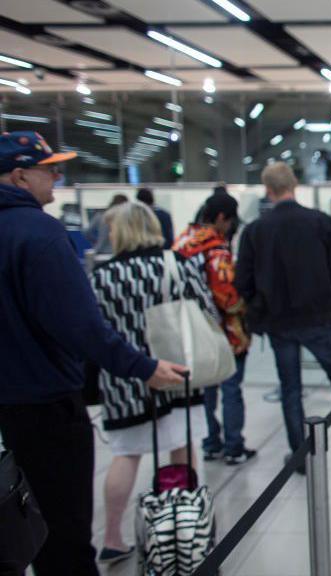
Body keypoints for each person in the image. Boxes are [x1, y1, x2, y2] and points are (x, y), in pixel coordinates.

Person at [0, 131, 185, 576]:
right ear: (21, 176)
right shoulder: (41, 233)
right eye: (49, 169)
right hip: (48, 406)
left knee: (19, 529)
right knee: (64, 536)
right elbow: (80, 326)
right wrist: (141, 367)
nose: (58, 176)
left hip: (9, 407)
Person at [91, 201, 213, 564]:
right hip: (175, 372)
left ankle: (112, 536)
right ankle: (183, 528)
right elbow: (203, 309)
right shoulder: (175, 264)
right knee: (181, 446)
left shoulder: (101, 276)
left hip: (124, 379)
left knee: (125, 455)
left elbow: (92, 330)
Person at [235, 163, 331, 470]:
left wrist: (261, 305)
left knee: (291, 389)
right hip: (318, 319)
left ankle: (301, 456)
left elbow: (242, 280)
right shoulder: (321, 223)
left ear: (268, 190)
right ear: (295, 184)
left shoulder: (255, 230)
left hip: (278, 323)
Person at [174, 193, 256, 465]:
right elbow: (228, 297)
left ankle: (211, 442)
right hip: (224, 333)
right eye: (230, 222)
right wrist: (248, 306)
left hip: (192, 331)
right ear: (222, 218)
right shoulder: (216, 249)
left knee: (206, 390)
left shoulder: (183, 241)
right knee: (231, 387)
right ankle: (234, 446)